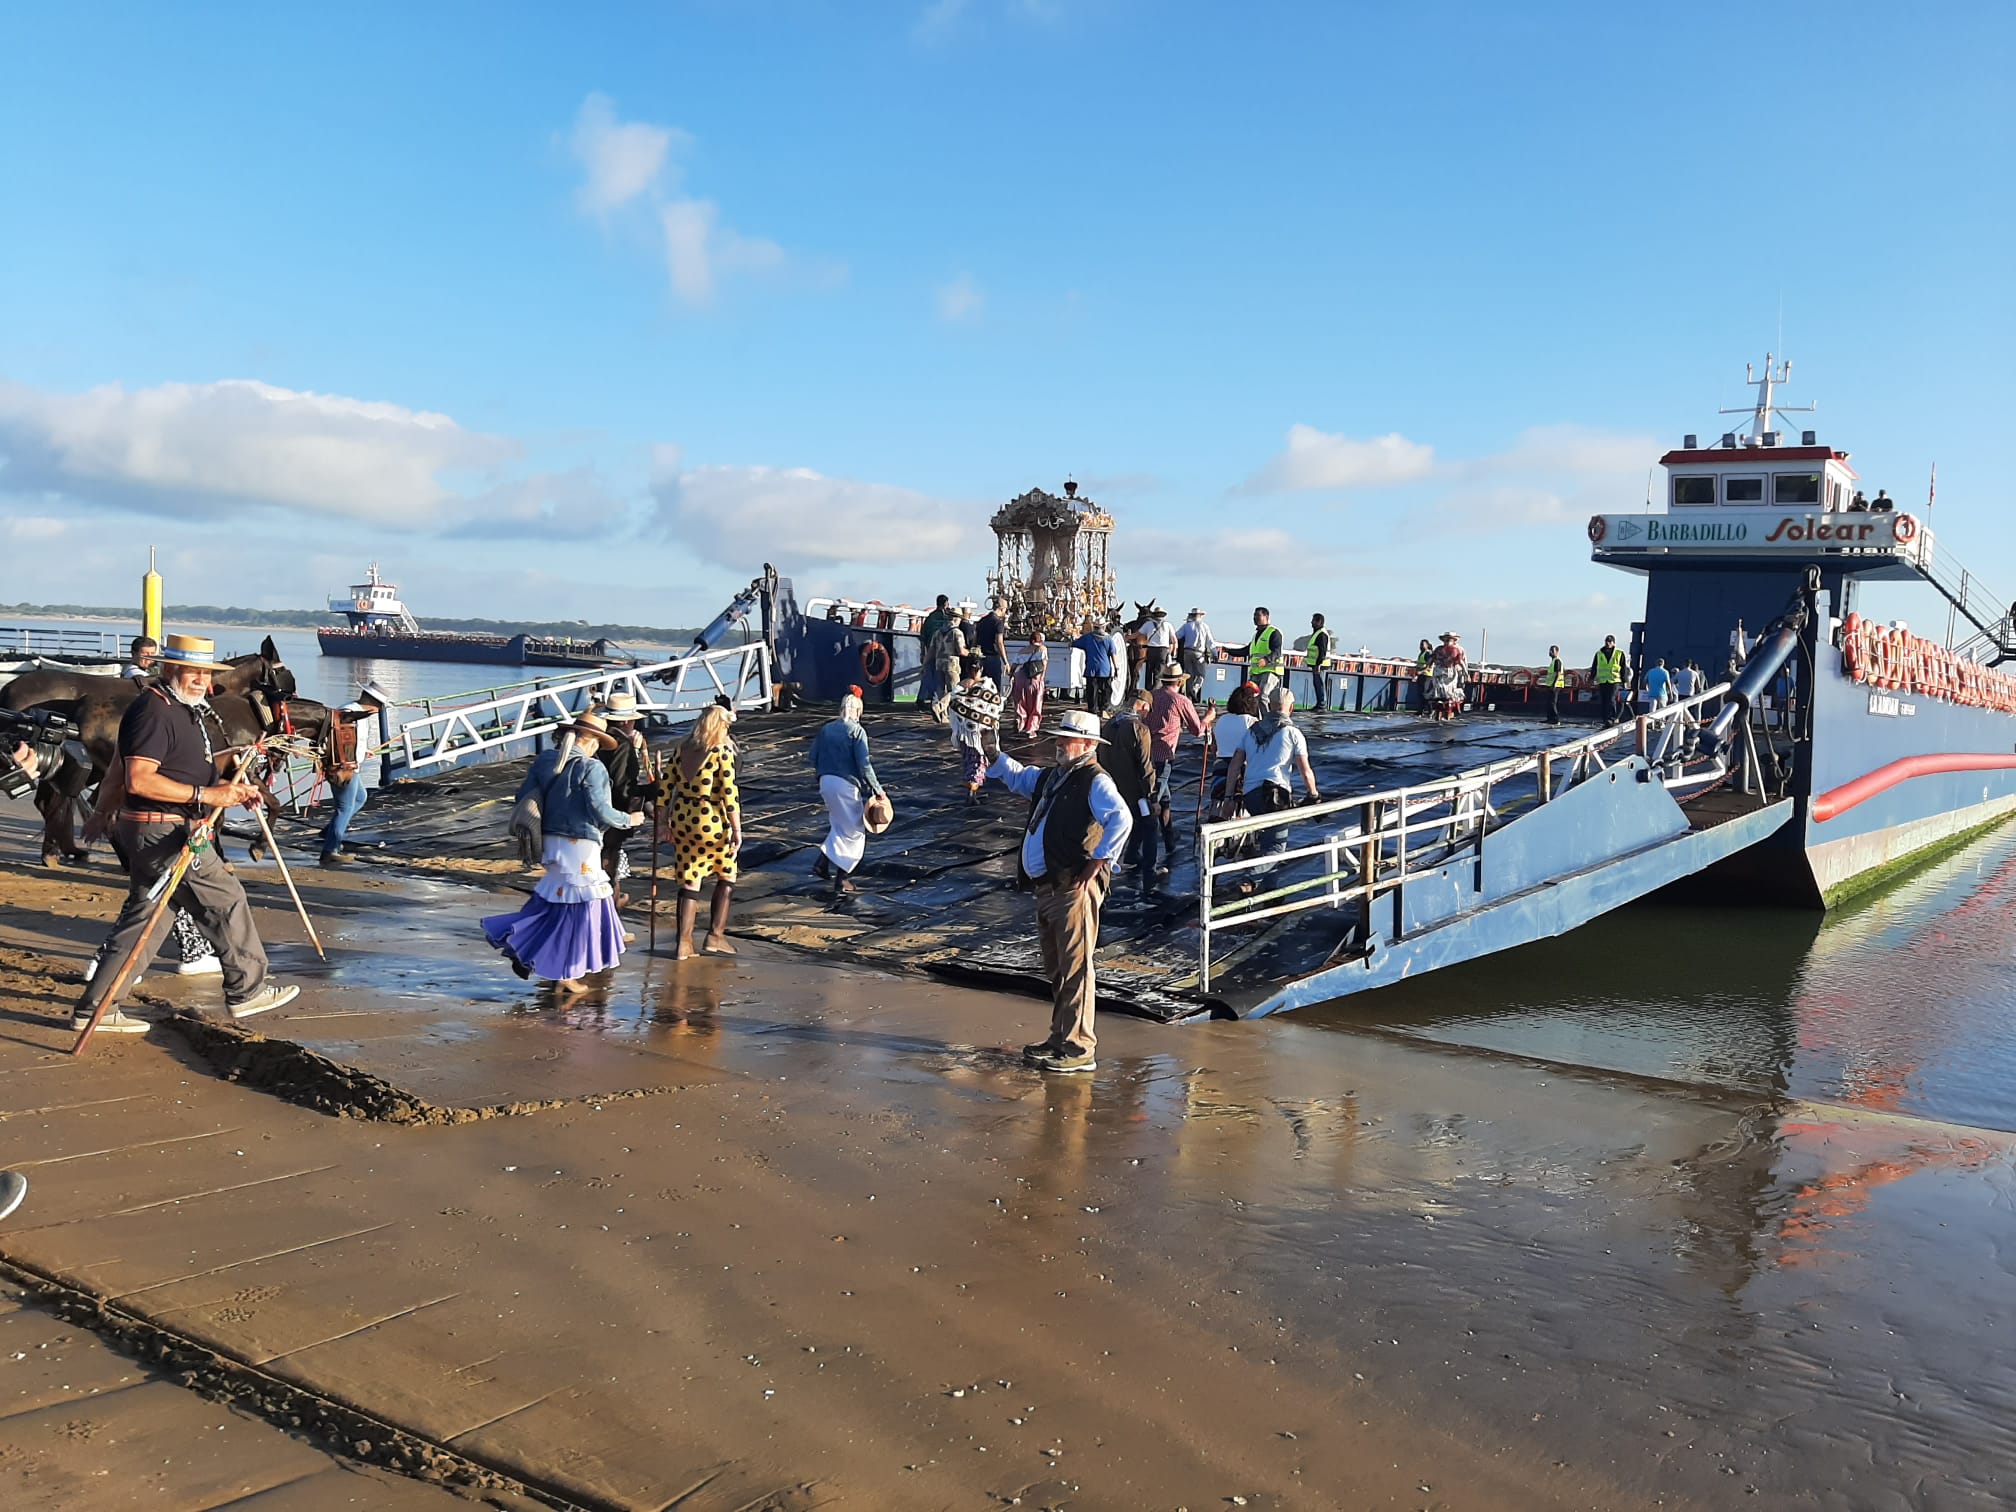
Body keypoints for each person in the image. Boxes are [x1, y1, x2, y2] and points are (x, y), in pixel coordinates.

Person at [70, 633, 299, 1035]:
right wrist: (209, 794)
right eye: (190, 671)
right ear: (168, 669)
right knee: (226, 900)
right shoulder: (154, 711)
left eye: (204, 673)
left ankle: (96, 1009)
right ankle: (247, 990)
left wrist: (234, 780)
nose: (199, 680)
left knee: (147, 921)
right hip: (166, 831)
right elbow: (138, 778)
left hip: (160, 829)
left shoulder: (185, 709)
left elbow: (169, 766)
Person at [981, 709, 1131, 1074]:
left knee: (1076, 967)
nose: (1059, 744)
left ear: (1088, 744)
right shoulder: (1056, 777)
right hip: (1051, 887)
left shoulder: (1095, 780)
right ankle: (1060, 1036)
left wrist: (1097, 863)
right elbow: (1019, 778)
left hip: (1071, 888)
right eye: (1059, 737)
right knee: (1059, 968)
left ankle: (1079, 1048)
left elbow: (1121, 818)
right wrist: (993, 754)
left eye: (1066, 739)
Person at [485, 711, 638, 994]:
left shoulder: (545, 760)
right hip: (580, 845)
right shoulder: (592, 768)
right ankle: (564, 970)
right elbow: (600, 810)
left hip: (549, 841)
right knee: (581, 908)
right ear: (593, 741)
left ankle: (525, 948)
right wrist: (630, 819)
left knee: (554, 901)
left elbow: (523, 796)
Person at [1221, 687, 1320, 888]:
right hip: (1276, 795)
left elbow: (1234, 765)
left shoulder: (1252, 732)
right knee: (1276, 847)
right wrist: (1314, 794)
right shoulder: (1293, 733)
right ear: (1291, 708)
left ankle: (1271, 894)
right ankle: (1249, 879)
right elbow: (1305, 770)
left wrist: (1229, 797)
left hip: (1251, 795)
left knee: (1267, 844)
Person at [665, 704, 742, 960]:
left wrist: (665, 823)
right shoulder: (721, 752)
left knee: (690, 878)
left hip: (683, 816)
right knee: (727, 874)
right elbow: (729, 795)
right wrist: (737, 828)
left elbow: (665, 789)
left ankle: (683, 943)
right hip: (711, 818)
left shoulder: (681, 750)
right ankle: (715, 936)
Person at [810, 690, 887, 897]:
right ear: (858, 711)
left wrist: (821, 774)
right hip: (845, 784)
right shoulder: (857, 731)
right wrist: (877, 790)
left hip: (825, 781)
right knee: (855, 831)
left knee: (839, 825)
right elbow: (864, 764)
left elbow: (812, 756)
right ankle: (841, 878)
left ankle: (823, 864)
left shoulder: (826, 729)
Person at [317, 682, 390, 868]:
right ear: (376, 705)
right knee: (344, 807)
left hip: (352, 766)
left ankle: (331, 831)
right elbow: (336, 741)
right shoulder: (348, 713)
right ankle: (330, 850)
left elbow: (352, 741)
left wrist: (363, 751)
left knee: (360, 797)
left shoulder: (358, 714)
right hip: (343, 768)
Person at [1147, 665, 1213, 856]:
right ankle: (1137, 849)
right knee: (1153, 803)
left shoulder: (1152, 696)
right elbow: (1197, 730)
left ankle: (1169, 840)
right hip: (1164, 757)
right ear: (1179, 682)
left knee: (1164, 800)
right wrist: (1208, 717)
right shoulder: (1180, 701)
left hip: (1146, 754)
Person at [1102, 689, 1160, 898]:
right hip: (1135, 793)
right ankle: (1149, 876)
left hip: (1109, 791)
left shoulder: (1109, 725)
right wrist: (1152, 797)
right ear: (1143, 706)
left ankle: (1132, 855)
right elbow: (1145, 768)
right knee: (1151, 824)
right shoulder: (1139, 729)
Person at [593, 692, 649, 904]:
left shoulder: (601, 737)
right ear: (628, 720)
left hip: (596, 809)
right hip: (613, 812)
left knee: (606, 866)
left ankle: (612, 913)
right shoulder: (622, 744)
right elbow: (622, 783)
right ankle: (610, 920)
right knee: (609, 867)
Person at [923, 598, 964, 722]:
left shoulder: (938, 633)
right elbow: (961, 650)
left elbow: (931, 650)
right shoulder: (957, 632)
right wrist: (972, 653)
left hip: (938, 663)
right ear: (957, 619)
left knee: (940, 690)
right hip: (952, 664)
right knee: (955, 690)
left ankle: (943, 716)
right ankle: (940, 706)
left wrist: (924, 664)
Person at [1072, 616, 1115, 715]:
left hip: (1091, 669)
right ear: (1104, 627)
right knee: (1106, 691)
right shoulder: (1108, 639)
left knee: (1092, 692)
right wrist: (1116, 668)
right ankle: (1104, 708)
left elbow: (1074, 643)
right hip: (1105, 670)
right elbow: (1114, 654)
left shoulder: (1088, 637)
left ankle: (1093, 710)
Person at [1242, 607, 1286, 703]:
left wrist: (1266, 660)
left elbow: (1277, 652)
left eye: (1258, 615)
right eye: (1254, 615)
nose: (1255, 618)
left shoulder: (1274, 632)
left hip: (1270, 671)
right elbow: (1246, 650)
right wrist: (1227, 650)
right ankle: (1256, 717)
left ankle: (1266, 718)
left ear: (1266, 617)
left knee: (1263, 696)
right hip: (1256, 673)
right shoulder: (1256, 635)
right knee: (1251, 698)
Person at [918, 594, 954, 710]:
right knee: (941, 678)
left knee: (927, 674)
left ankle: (922, 697)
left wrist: (923, 653)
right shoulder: (946, 619)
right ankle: (937, 701)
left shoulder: (930, 618)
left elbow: (923, 636)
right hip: (943, 652)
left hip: (929, 649)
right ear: (946, 604)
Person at [1012, 632, 1048, 737]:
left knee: (1020, 703)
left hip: (1020, 679)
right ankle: (1031, 728)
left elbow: (1014, 665)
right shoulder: (1042, 649)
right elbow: (1044, 665)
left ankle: (1020, 723)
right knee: (1035, 705)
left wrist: (1011, 676)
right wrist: (1042, 679)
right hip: (1034, 679)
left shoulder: (1022, 651)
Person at [1175, 608, 1215, 701]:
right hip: (1199, 653)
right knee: (1201, 674)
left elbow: (1177, 636)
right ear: (1200, 616)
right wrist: (1215, 653)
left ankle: (1189, 694)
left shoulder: (1186, 626)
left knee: (1189, 674)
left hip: (1187, 652)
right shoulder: (1205, 627)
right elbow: (1210, 642)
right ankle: (1194, 689)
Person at [1426, 632, 1468, 720]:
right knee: (1449, 694)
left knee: (1439, 693)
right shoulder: (1456, 650)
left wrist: (1428, 666)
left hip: (1439, 671)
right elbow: (1461, 662)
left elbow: (1431, 660)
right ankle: (1446, 714)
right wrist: (1465, 673)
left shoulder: (1438, 649)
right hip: (1450, 672)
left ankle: (1438, 714)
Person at [974, 597, 1009, 695]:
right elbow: (999, 642)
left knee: (982, 687)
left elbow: (975, 639)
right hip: (993, 658)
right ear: (1002, 609)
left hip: (981, 657)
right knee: (994, 687)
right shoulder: (998, 622)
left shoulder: (982, 621)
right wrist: (1005, 662)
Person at [1591, 635, 1629, 723]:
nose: (1608, 643)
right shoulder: (1599, 653)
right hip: (1602, 680)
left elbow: (1623, 668)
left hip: (1614, 680)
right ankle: (1605, 718)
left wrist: (1625, 681)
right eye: (1607, 641)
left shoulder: (1619, 653)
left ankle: (1612, 718)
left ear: (1614, 643)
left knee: (1611, 699)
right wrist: (1592, 678)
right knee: (1603, 700)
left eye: (1610, 641)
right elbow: (1594, 666)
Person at [1306, 613, 1335, 711]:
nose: (1311, 622)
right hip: (1316, 665)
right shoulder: (1318, 633)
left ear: (1318, 621)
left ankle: (1322, 705)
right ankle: (1319, 703)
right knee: (1317, 684)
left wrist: (1318, 664)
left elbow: (1322, 650)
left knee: (1320, 684)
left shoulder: (1321, 634)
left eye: (1313, 620)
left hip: (1320, 665)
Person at [1141, 608, 1174, 689]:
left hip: (1151, 649)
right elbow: (1174, 640)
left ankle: (1148, 689)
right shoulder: (1168, 625)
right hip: (1163, 650)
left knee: (1149, 671)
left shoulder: (1148, 624)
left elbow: (1138, 634)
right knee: (1159, 672)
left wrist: (1127, 637)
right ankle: (1157, 690)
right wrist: (1171, 652)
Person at [1544, 644, 1567, 725]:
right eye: (1550, 651)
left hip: (1556, 685)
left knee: (1553, 702)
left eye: (1552, 651)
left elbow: (1558, 673)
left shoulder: (1557, 661)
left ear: (1557, 652)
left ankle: (1556, 720)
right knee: (1549, 702)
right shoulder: (1553, 661)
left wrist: (1554, 684)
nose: (1550, 652)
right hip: (1551, 684)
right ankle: (1549, 719)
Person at [1415, 637, 1434, 710]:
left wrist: (1421, 671)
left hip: (1427, 675)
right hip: (1421, 675)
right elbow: (1419, 664)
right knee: (1420, 693)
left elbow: (1429, 665)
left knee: (1425, 693)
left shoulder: (1428, 653)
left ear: (1427, 645)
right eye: (1421, 644)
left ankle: (1430, 710)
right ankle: (1420, 710)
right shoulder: (1421, 654)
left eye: (1423, 644)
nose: (1421, 646)